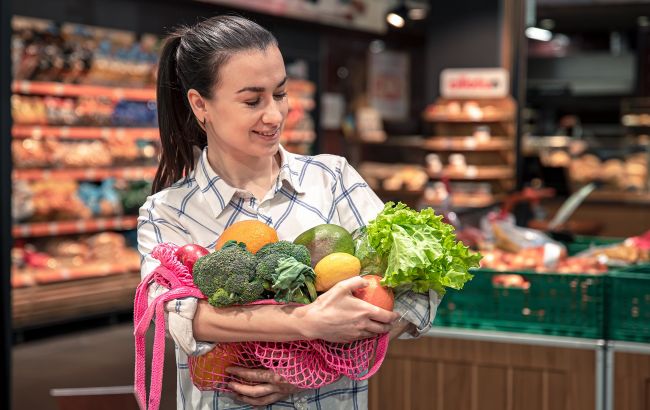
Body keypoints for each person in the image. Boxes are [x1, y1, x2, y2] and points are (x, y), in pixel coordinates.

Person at [137, 15, 439, 410]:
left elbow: (416, 287)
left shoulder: (332, 179)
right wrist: (306, 323)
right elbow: (176, 316)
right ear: (200, 105)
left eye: (279, 94)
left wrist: (312, 365)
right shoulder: (167, 211)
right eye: (252, 100)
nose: (275, 116)